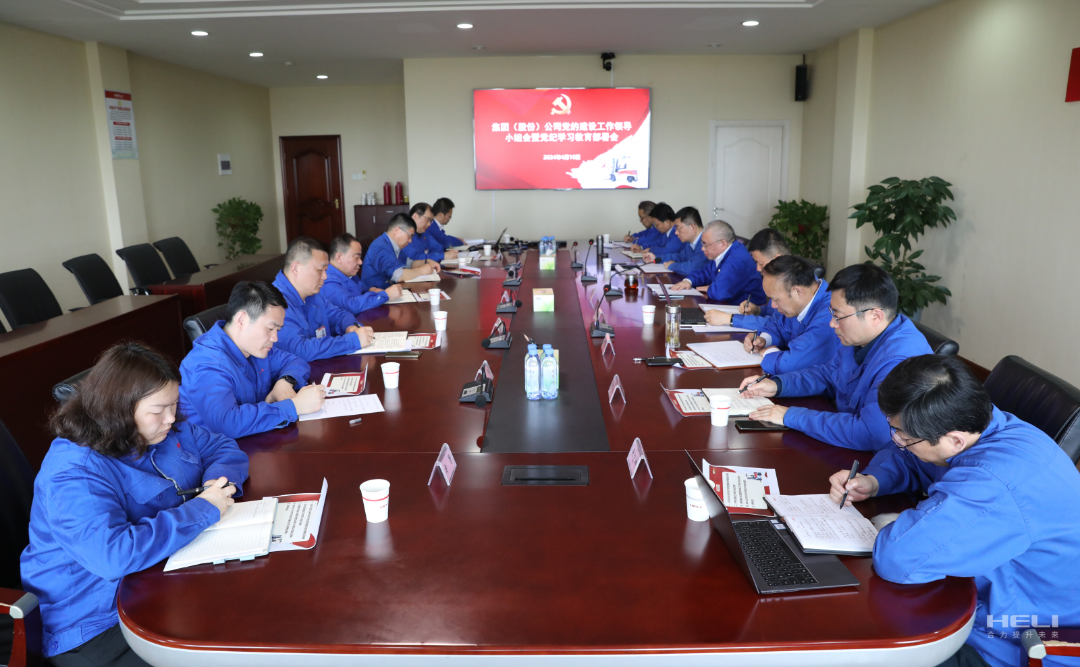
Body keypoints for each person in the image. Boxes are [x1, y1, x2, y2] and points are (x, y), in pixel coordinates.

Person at [828, 355, 1080, 667]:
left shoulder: (996, 482)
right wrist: (874, 481)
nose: (897, 441)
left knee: (852, 640)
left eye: (903, 436)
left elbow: (899, 559)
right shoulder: (983, 425)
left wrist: (896, 524)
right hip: (977, 593)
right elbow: (914, 458)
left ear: (955, 441)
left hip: (1011, 642)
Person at [20, 342, 248, 666]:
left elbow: (222, 446)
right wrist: (202, 509)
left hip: (159, 579)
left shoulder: (160, 428)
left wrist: (218, 482)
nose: (171, 418)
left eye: (174, 404)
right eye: (158, 410)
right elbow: (112, 556)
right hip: (96, 621)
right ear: (120, 410)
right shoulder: (73, 471)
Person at [738, 263, 932, 450]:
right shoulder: (857, 337)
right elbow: (828, 374)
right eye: (832, 313)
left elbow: (869, 433)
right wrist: (777, 385)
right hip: (846, 443)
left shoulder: (901, 361)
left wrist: (791, 415)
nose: (832, 324)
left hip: (881, 464)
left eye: (838, 316)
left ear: (875, 316)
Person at [179, 281, 327, 439]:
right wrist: (294, 406)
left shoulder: (254, 348)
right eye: (270, 328)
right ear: (241, 320)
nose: (275, 338)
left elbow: (296, 362)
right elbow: (229, 424)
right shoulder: (205, 364)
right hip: (211, 456)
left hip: (254, 441)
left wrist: (285, 383)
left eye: (278, 330)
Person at [273, 236, 375, 362]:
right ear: (296, 268)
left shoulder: (313, 294)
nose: (325, 276)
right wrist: (351, 341)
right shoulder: (275, 303)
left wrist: (351, 327)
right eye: (320, 270)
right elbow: (300, 349)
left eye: (326, 270)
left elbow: (339, 315)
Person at [741, 255, 838, 375]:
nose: (773, 306)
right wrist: (763, 339)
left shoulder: (830, 314)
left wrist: (767, 353)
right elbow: (781, 327)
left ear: (797, 291)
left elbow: (791, 364)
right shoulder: (800, 303)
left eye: (776, 300)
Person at [705, 228, 791, 329]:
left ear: (776, 259)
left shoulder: (792, 283)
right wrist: (757, 310)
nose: (758, 269)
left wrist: (730, 319)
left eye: (761, 263)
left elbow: (778, 325)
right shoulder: (779, 278)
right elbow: (773, 312)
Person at [669, 220, 765, 304]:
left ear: (723, 244)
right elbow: (705, 272)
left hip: (746, 311)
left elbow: (719, 293)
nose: (702, 248)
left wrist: (710, 288)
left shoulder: (737, 260)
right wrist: (688, 281)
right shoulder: (725, 252)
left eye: (706, 244)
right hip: (728, 304)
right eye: (702, 243)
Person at [323, 233, 403, 315]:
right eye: (356, 257)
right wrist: (385, 295)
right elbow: (352, 305)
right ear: (339, 257)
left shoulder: (348, 273)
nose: (360, 262)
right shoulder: (327, 280)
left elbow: (359, 291)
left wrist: (371, 290)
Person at [360, 214, 440, 292]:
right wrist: (421, 271)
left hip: (390, 291)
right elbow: (398, 275)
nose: (410, 241)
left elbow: (409, 263)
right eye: (410, 236)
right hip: (376, 296)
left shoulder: (394, 245)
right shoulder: (381, 247)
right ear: (397, 231)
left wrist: (426, 262)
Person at [642, 206, 708, 277]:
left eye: (678, 228)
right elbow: (680, 257)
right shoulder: (691, 242)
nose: (676, 232)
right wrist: (656, 258)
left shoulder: (706, 243)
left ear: (692, 227)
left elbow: (692, 268)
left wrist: (672, 265)